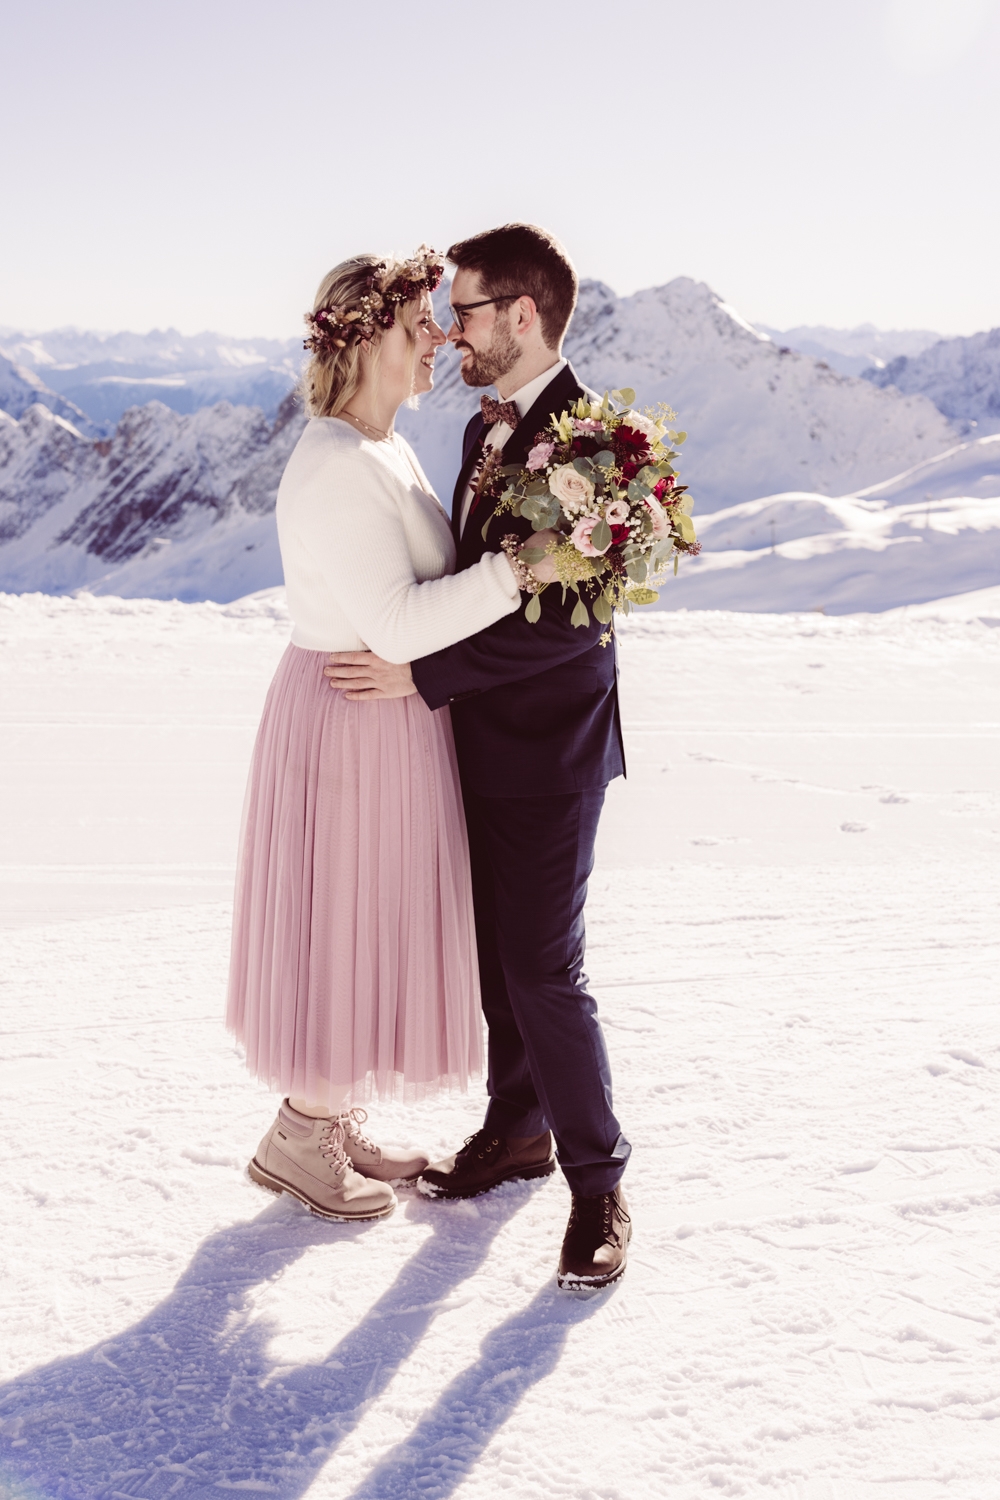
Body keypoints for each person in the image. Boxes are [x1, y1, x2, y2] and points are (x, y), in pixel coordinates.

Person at [324, 224, 632, 1287]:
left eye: (463, 311)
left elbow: (572, 627)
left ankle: (599, 1185)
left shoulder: (596, 445)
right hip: (473, 742)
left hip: (551, 752)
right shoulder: (480, 430)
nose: (449, 331)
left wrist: (422, 675)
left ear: (522, 314)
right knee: (499, 955)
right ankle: (517, 1131)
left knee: (545, 968)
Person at [227, 246, 547, 1223]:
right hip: (350, 715)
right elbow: (399, 624)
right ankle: (301, 1136)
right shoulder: (337, 463)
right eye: (420, 325)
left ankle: (323, 1116)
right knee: (343, 917)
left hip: (382, 712)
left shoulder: (380, 444)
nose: (440, 338)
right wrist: (519, 572)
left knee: (368, 916)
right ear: (368, 340)